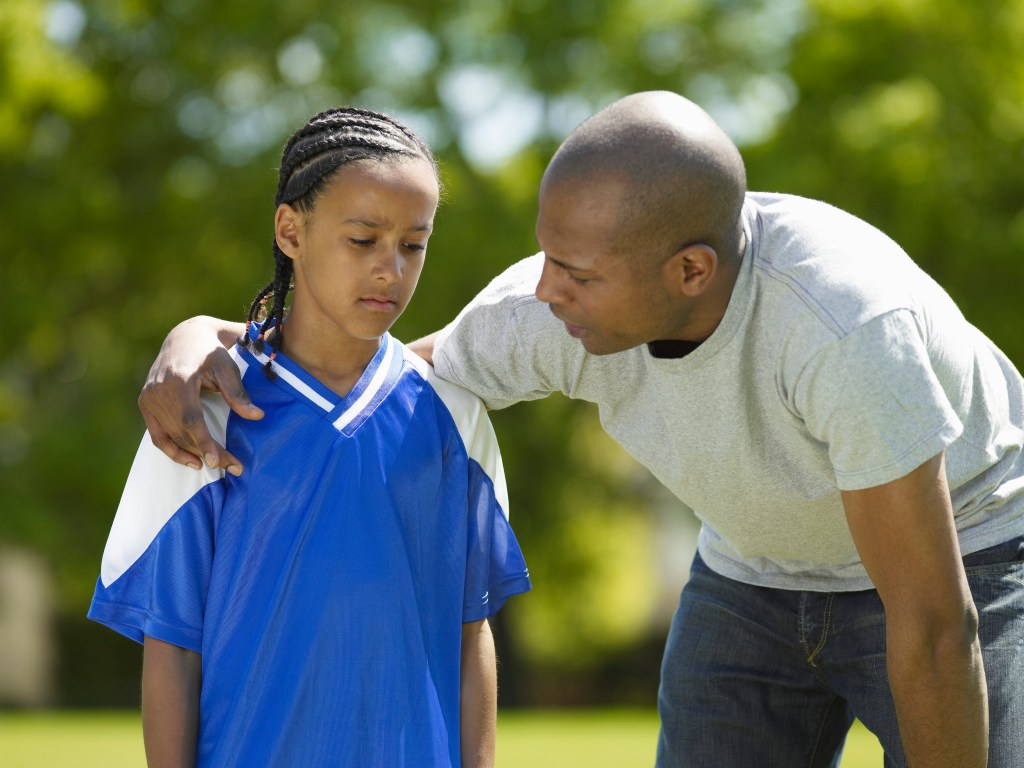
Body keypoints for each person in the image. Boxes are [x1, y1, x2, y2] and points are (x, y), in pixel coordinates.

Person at [138, 92, 1024, 767]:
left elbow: (933, 623)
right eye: (547, 256)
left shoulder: (846, 330)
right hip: (752, 573)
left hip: (962, 557)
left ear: (689, 271)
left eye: (577, 274)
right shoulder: (545, 313)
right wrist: (199, 338)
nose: (545, 291)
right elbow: (373, 372)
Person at [88, 107, 531, 768]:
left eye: (414, 244)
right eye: (363, 239)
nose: (392, 269)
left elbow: (473, 634)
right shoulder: (204, 411)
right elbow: (173, 649)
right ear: (290, 230)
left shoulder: (452, 413)